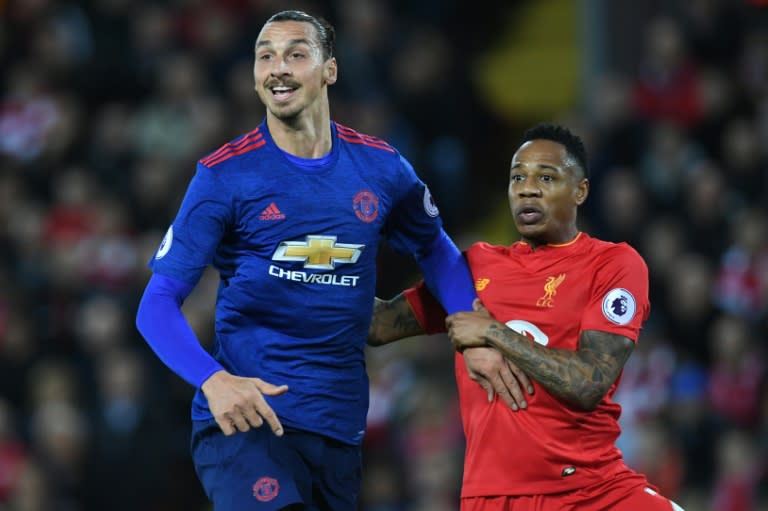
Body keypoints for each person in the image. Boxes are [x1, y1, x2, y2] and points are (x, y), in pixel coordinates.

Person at [134, 10, 487, 511]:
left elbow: (437, 251)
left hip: (339, 429)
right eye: (265, 56)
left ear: (330, 70)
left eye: (296, 54)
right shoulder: (224, 177)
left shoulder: (382, 169)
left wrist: (475, 328)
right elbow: (156, 306)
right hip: (247, 423)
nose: (278, 67)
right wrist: (214, 380)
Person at [368, 124, 686, 511]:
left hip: (593, 492)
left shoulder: (612, 264)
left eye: (546, 177)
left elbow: (589, 382)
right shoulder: (474, 269)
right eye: (517, 176)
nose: (527, 188)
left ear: (580, 191)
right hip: (495, 499)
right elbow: (379, 324)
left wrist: (492, 332)